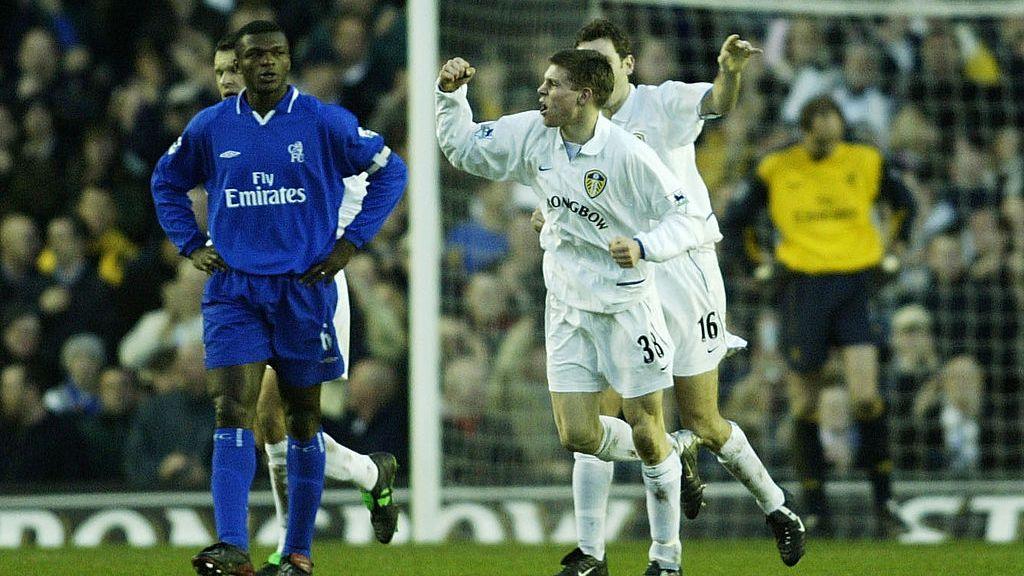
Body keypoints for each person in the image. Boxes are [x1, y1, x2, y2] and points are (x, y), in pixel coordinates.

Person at [529, 20, 804, 574]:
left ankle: (778, 509)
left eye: (603, 60)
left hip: (682, 270)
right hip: (621, 281)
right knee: (601, 416)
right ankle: (592, 552)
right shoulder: (577, 126)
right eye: (583, 63)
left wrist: (728, 74)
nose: (593, 71)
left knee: (703, 419)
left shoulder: (662, 104)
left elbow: (716, 102)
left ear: (627, 65)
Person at [151, 20, 407, 576]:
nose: (258, 66)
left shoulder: (322, 122)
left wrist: (351, 244)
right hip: (236, 288)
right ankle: (237, 545)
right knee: (239, 410)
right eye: (232, 65)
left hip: (309, 282)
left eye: (276, 53)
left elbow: (389, 171)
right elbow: (166, 181)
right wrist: (191, 243)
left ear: (288, 60)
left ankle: (305, 541)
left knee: (295, 418)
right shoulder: (214, 127)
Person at [438, 49, 707, 576]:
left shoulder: (628, 155)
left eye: (552, 85)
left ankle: (666, 558)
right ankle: (663, 465)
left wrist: (645, 246)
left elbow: (689, 219)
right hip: (566, 306)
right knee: (577, 435)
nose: (541, 93)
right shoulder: (533, 133)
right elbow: (465, 150)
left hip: (628, 306)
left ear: (583, 96)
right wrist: (451, 97)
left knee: (644, 427)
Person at [722, 95, 917, 538]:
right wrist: (758, 267)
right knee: (805, 404)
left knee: (866, 396)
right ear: (806, 130)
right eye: (821, 132)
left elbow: (904, 206)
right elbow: (736, 223)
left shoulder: (865, 159)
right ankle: (815, 509)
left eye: (837, 130)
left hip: (853, 283)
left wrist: (894, 253)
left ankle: (884, 500)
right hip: (802, 287)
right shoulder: (777, 166)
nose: (830, 140)